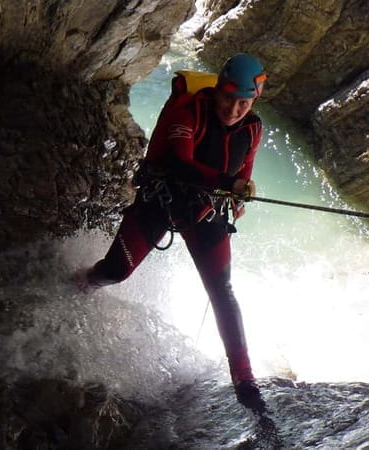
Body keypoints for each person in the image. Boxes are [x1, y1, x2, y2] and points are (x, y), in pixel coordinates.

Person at [79, 53, 268, 413]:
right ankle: (82, 284)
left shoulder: (253, 128)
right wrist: (230, 183)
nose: (233, 109)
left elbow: (245, 168)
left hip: (204, 210)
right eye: (228, 98)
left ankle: (244, 380)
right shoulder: (189, 112)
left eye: (244, 102)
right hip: (159, 202)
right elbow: (180, 164)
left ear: (254, 100)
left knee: (222, 291)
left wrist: (241, 193)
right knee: (116, 272)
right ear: (216, 91)